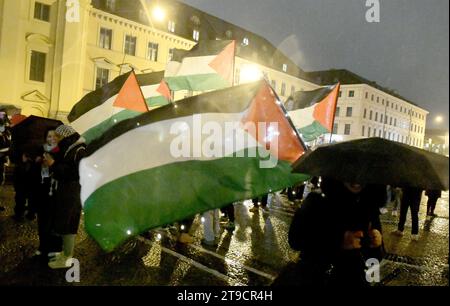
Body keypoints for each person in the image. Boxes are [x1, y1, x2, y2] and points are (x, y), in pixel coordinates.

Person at [284, 177, 385, 286]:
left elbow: (374, 260)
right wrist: (338, 240)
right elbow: (295, 240)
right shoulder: (316, 200)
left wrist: (377, 244)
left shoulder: (369, 206)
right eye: (350, 172)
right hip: (317, 278)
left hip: (354, 279)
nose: (357, 180)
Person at [45, 125, 86, 269]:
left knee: (68, 224)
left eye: (58, 136)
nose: (56, 139)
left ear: (67, 136)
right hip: (66, 191)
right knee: (64, 222)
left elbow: (76, 173)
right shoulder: (71, 147)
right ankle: (65, 253)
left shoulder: (79, 149)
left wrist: (54, 164)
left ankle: (68, 257)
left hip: (72, 192)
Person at [32, 129, 62, 259]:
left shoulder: (61, 152)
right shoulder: (42, 150)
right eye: (49, 136)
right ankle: (42, 246)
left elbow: (63, 171)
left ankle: (54, 249)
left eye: (54, 136)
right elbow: (35, 172)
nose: (51, 138)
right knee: (42, 220)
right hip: (42, 190)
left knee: (54, 221)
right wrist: (38, 162)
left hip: (55, 191)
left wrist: (52, 164)